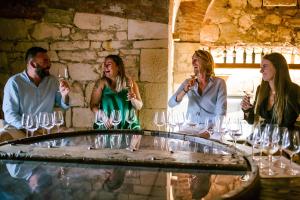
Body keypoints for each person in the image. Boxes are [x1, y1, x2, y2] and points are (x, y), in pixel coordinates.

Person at [2, 47, 70, 129]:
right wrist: (30, 128)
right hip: (22, 131)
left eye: (49, 61)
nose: (49, 65)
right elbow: (10, 115)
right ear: (32, 64)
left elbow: (64, 106)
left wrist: (65, 95)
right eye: (45, 61)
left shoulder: (52, 81)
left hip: (46, 131)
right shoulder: (14, 82)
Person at [168, 49, 227, 137]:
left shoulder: (219, 83)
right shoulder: (188, 82)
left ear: (206, 62)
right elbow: (171, 103)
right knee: (173, 142)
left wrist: (209, 132)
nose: (193, 62)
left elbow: (221, 112)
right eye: (192, 59)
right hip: (190, 129)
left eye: (196, 59)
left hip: (210, 130)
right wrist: (184, 91)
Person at [241, 52, 300, 129]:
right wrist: (247, 110)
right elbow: (252, 121)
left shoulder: (294, 90)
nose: (261, 71)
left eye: (264, 66)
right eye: (261, 67)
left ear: (277, 67)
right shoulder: (261, 89)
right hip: (263, 138)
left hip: (285, 139)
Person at [90, 54, 142, 130]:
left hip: (128, 127)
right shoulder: (101, 83)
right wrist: (102, 116)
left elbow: (139, 106)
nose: (105, 67)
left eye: (109, 64)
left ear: (118, 67)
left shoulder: (130, 82)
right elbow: (93, 105)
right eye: (104, 65)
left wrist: (133, 99)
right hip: (107, 126)